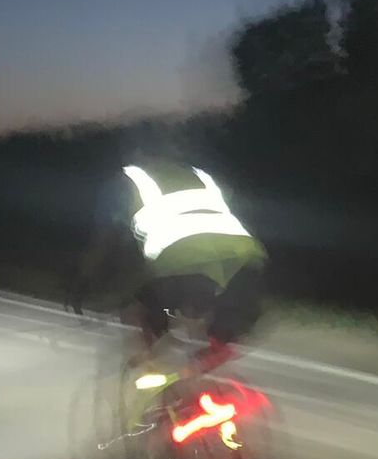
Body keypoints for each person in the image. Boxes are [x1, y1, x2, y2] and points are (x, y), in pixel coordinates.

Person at [69, 130, 267, 401]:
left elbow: (104, 242)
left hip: (180, 260)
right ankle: (199, 386)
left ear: (136, 152)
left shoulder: (126, 180)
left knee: (136, 309)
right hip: (245, 262)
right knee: (221, 331)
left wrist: (84, 280)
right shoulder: (204, 177)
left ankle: (158, 380)